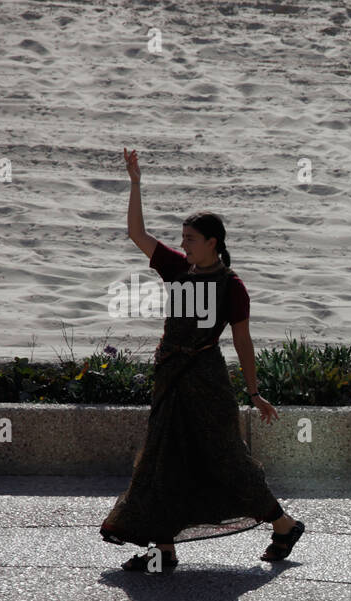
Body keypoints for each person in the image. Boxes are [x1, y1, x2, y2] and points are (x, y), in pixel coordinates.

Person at [100, 148, 303, 571]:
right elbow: (137, 234)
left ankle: (283, 525)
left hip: (207, 381)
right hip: (171, 376)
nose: (183, 244)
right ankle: (164, 550)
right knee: (160, 457)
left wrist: (255, 393)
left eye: (190, 238)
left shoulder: (232, 286)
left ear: (213, 242)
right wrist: (135, 184)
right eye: (182, 238)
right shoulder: (178, 269)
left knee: (225, 456)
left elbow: (243, 342)